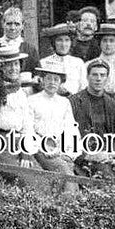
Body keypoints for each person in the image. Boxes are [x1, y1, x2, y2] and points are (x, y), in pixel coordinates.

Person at [69, 59, 115, 179]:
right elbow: (68, 134)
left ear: (107, 78)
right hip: (83, 156)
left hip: (107, 156)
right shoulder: (74, 101)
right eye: (94, 75)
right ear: (87, 77)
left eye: (102, 75)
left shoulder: (114, 104)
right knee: (106, 177)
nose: (98, 79)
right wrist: (86, 155)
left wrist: (114, 155)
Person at [0, 43, 34, 176]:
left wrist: (26, 152)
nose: (14, 68)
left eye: (16, 64)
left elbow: (27, 125)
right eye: (9, 65)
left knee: (40, 176)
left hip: (17, 143)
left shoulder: (20, 92)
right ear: (0, 68)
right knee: (22, 177)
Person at [27, 63, 79, 194]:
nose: (52, 82)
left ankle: (64, 205)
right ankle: (69, 205)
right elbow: (27, 128)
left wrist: (67, 152)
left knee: (66, 167)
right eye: (49, 78)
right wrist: (43, 146)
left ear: (61, 82)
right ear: (42, 80)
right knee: (63, 170)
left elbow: (70, 128)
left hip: (60, 149)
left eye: (56, 79)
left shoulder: (64, 102)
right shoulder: (32, 101)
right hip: (39, 148)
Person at [37, 23, 86, 97]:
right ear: (53, 43)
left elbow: (83, 87)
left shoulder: (78, 63)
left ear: (71, 42)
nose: (63, 44)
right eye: (59, 40)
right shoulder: (44, 62)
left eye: (67, 40)